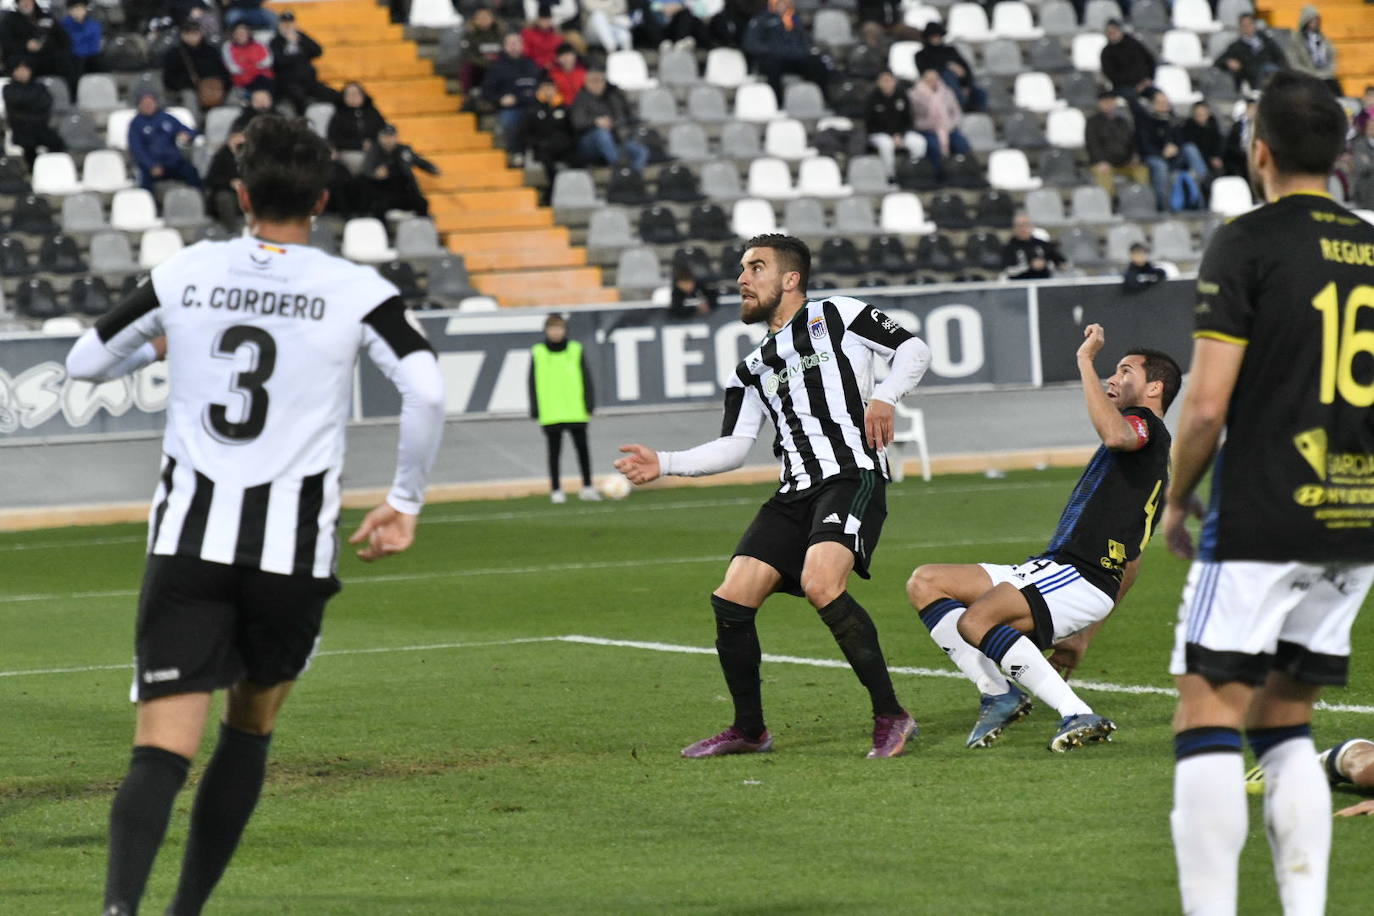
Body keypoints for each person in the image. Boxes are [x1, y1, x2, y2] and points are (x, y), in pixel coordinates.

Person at [66, 114, 445, 916]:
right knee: (248, 732)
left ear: (241, 194)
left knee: (161, 750)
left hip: (189, 545)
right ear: (321, 198)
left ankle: (118, 912)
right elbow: (428, 388)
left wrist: (157, 347)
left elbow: (85, 361)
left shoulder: (190, 271)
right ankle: (186, 912)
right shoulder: (357, 289)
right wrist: (405, 499)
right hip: (292, 557)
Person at [1160, 70, 1374, 915]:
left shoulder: (1246, 240)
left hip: (1262, 511)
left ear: (1259, 151)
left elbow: (1206, 405)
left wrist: (1177, 500)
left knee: (1206, 713)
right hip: (1355, 516)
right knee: (1286, 724)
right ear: (1343, 153)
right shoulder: (1371, 248)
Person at [614, 234, 932, 759]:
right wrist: (665, 463)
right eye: (741, 268)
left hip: (851, 475)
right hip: (794, 491)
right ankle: (750, 730)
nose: (742, 278)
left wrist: (885, 395)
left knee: (820, 583)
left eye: (755, 267)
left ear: (790, 279)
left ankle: (892, 715)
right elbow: (736, 447)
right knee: (731, 599)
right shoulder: (750, 367)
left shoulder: (840, 314)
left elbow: (913, 350)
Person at [908, 325, 1177, 750]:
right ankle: (998, 693)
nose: (1114, 377)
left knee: (977, 620)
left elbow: (1116, 433)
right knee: (927, 581)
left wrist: (1085, 361)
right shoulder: (1145, 465)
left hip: (1080, 574)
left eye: (1125, 371)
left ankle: (1076, 712)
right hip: (1060, 569)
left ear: (1154, 388)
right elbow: (1134, 557)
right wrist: (1085, 635)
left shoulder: (1144, 427)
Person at [529, 314, 598, 504]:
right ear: (546, 330)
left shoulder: (575, 349)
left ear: (565, 330)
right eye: (552, 328)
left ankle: (587, 486)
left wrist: (589, 403)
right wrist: (534, 407)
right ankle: (556, 490)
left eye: (559, 328)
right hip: (551, 411)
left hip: (575, 409)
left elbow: (586, 378)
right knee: (554, 452)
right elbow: (532, 381)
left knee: (583, 450)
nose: (556, 332)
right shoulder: (538, 352)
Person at [742, 0, 830, 108]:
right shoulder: (762, 19)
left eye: (786, 2)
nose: (784, 5)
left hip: (795, 57)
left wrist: (805, 49)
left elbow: (805, 39)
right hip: (773, 58)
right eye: (780, 2)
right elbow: (751, 43)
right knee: (772, 65)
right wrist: (771, 50)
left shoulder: (794, 19)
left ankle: (820, 99)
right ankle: (777, 102)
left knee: (817, 63)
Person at [1136, 89, 1208, 212]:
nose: (1164, 105)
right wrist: (1162, 153)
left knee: (1190, 148)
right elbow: (1144, 146)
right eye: (1160, 102)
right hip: (1154, 157)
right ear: (1152, 104)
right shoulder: (1145, 121)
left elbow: (1181, 140)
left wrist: (1176, 148)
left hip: (1174, 157)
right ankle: (1163, 206)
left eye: (1165, 102)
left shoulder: (1173, 120)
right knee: (1160, 167)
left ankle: (1203, 181)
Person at [569, 69, 648, 172]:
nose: (598, 84)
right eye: (594, 81)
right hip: (588, 143)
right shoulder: (580, 99)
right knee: (601, 134)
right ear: (586, 83)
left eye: (601, 81)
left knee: (640, 151)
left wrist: (613, 124)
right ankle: (618, 168)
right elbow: (577, 123)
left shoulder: (611, 98)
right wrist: (595, 122)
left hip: (614, 138)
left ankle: (631, 177)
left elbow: (622, 118)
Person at [361, 123, 441, 219]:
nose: (388, 140)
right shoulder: (374, 152)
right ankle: (384, 232)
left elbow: (419, 161)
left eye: (391, 136)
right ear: (379, 137)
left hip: (404, 190)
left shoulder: (404, 151)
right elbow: (366, 170)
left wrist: (431, 168)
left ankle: (422, 227)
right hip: (384, 192)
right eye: (385, 136)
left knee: (422, 203)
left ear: (396, 137)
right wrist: (375, 175)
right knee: (378, 208)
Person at [0, 0, 77, 95]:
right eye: (22, 1)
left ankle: (70, 97)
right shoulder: (9, 20)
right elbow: (7, 44)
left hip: (48, 57)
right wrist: (25, 45)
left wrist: (45, 45)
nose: (26, 3)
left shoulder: (46, 17)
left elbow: (64, 40)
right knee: (21, 65)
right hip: (23, 57)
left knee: (68, 62)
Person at [128, 93, 202, 192]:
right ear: (139, 105)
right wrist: (151, 165)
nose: (148, 106)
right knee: (145, 182)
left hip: (173, 162)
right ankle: (150, 205)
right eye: (145, 103)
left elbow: (188, 130)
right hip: (152, 165)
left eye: (150, 102)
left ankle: (200, 200)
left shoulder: (166, 118)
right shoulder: (136, 124)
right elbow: (137, 149)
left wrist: (187, 135)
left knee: (192, 172)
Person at [909, 66, 970, 185]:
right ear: (923, 80)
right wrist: (932, 125)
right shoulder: (914, 95)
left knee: (962, 144)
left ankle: (962, 173)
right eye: (929, 80)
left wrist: (948, 125)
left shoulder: (947, 92)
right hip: (927, 129)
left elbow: (956, 112)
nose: (933, 82)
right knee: (934, 146)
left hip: (948, 128)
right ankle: (939, 175)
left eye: (935, 79)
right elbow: (914, 119)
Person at [514, 76, 575, 195]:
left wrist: (567, 143)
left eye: (550, 88)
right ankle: (552, 192)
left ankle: (574, 191)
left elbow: (572, 130)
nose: (548, 91)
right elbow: (524, 133)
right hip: (542, 148)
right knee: (548, 164)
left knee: (578, 160)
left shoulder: (565, 108)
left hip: (563, 147)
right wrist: (537, 143)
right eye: (544, 88)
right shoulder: (532, 110)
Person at [2, 59, 66, 170]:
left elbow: (45, 104)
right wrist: (32, 102)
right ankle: (33, 170)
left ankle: (54, 169)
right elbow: (15, 102)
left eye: (25, 69)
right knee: (28, 143)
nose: (22, 72)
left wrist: (25, 105)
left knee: (57, 141)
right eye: (19, 70)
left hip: (40, 127)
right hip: (21, 129)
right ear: (13, 72)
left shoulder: (40, 86)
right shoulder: (8, 89)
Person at [269, 11, 336, 115]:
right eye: (284, 23)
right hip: (288, 83)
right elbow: (277, 62)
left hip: (309, 81)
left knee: (333, 94)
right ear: (279, 25)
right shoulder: (275, 41)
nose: (287, 26)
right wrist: (294, 52)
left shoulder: (301, 37)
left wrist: (299, 42)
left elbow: (317, 51)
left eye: (290, 23)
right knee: (298, 97)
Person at [1086, 89, 1149, 198]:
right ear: (1099, 104)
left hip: (1125, 162)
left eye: (1111, 101)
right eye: (1105, 102)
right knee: (1103, 176)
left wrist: (1133, 158)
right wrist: (1100, 161)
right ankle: (1108, 206)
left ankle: (1142, 201)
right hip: (1103, 162)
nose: (1109, 104)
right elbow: (1092, 144)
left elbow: (1131, 141)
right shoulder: (1093, 122)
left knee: (1142, 170)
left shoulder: (1122, 122)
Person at [484, 32, 542, 149]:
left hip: (532, 105)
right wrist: (500, 99)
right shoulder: (497, 67)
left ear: (522, 45)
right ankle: (515, 152)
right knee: (509, 122)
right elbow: (486, 91)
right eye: (510, 44)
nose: (514, 46)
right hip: (512, 108)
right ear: (505, 46)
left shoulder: (531, 64)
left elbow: (540, 84)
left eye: (516, 43)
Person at [864, 69, 926, 177]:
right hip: (879, 134)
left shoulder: (901, 95)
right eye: (884, 81)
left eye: (890, 80)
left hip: (900, 133)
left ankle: (913, 172)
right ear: (878, 82)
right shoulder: (872, 98)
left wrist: (900, 135)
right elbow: (869, 124)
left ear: (894, 81)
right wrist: (892, 136)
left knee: (919, 143)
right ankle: (890, 176)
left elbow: (908, 120)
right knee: (886, 144)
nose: (887, 83)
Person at [913, 22, 984, 113]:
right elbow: (925, 72)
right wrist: (949, 66)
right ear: (928, 38)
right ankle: (960, 108)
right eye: (933, 36)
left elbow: (965, 68)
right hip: (939, 88)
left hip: (961, 85)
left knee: (980, 92)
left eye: (938, 35)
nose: (936, 38)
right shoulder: (921, 55)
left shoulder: (950, 50)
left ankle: (978, 117)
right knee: (947, 74)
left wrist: (966, 85)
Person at [162, 22, 230, 113]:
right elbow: (169, 78)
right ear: (182, 35)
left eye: (195, 33)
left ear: (200, 33)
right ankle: (194, 125)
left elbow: (223, 71)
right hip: (188, 89)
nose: (192, 37)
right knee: (189, 97)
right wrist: (187, 84)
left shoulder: (211, 51)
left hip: (214, 88)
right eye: (188, 33)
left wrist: (218, 83)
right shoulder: (174, 54)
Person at [1214, 13, 1286, 93]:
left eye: (1249, 24)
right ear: (1240, 28)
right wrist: (1228, 62)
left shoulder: (1267, 41)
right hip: (1252, 80)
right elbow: (1218, 62)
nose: (1247, 28)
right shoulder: (1236, 47)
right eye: (1244, 26)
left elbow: (1281, 58)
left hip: (1272, 76)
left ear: (1254, 25)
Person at [1290, 5, 1341, 96]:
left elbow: (1332, 56)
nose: (1315, 23)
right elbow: (1294, 62)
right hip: (1306, 76)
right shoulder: (1296, 40)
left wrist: (1328, 71)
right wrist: (1311, 73)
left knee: (1335, 89)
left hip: (1325, 75)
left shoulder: (1322, 38)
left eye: (1316, 20)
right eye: (1312, 20)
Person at [327, 81, 386, 155]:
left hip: (375, 149)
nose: (353, 97)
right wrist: (359, 145)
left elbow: (383, 130)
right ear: (344, 97)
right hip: (348, 151)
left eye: (356, 93)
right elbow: (334, 140)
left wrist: (372, 143)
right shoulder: (339, 115)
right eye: (349, 94)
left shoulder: (373, 112)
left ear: (363, 95)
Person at [1001, 212, 1065, 280]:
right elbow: (1007, 270)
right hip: (1020, 285)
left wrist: (1046, 263)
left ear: (1031, 227)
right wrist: (1030, 266)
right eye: (1019, 226)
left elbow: (1060, 262)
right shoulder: (1009, 247)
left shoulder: (1042, 244)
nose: (1023, 229)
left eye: (1026, 225)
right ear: (1014, 228)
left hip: (1044, 283)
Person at [1100, 20, 1155, 97]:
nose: (1112, 34)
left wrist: (1148, 79)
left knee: (1158, 96)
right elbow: (1112, 75)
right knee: (1130, 97)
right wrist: (1134, 85)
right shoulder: (1106, 52)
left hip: (1144, 83)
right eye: (1109, 32)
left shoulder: (1134, 44)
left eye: (1114, 31)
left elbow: (1150, 60)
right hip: (1123, 87)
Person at [458, 5, 506, 93]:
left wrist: (494, 60)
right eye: (480, 17)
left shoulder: (500, 32)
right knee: (466, 67)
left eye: (486, 17)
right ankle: (468, 95)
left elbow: (505, 50)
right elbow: (467, 54)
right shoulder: (469, 34)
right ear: (474, 20)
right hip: (478, 67)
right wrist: (485, 61)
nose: (483, 20)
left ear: (492, 19)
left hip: (497, 65)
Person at [204, 130, 244, 232]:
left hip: (245, 191)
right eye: (237, 137)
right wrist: (230, 183)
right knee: (224, 198)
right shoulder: (221, 156)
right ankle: (232, 231)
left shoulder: (248, 156)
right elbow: (211, 180)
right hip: (226, 192)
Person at [1179, 100, 1225, 186]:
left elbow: (1219, 143)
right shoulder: (1187, 127)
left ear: (1208, 113)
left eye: (1203, 114)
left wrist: (1216, 156)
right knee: (1190, 149)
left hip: (1209, 162)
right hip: (1190, 162)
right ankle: (1205, 178)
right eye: (1197, 114)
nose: (1200, 116)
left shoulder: (1213, 127)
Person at [222, 21, 274, 97]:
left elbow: (268, 60)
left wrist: (256, 66)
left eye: (243, 33)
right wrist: (250, 68)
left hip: (262, 76)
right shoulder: (228, 46)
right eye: (238, 33)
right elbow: (232, 68)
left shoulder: (258, 43)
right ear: (233, 35)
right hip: (244, 79)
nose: (241, 35)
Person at [59, 0, 103, 79]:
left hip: (91, 59)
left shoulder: (94, 25)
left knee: (99, 62)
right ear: (69, 10)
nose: (79, 11)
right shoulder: (62, 26)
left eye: (81, 7)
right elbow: (66, 46)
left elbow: (94, 47)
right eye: (75, 7)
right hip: (73, 60)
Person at [520, 2, 563, 69]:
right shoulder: (528, 34)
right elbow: (527, 54)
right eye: (543, 19)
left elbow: (559, 54)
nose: (545, 22)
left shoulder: (557, 37)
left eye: (548, 19)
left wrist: (552, 63)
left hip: (553, 67)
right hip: (534, 67)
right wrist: (542, 63)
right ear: (538, 20)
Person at [1353, 117, 1374, 209]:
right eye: (1369, 127)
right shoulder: (1360, 144)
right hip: (1364, 193)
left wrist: (1369, 161)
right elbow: (1362, 168)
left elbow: (1367, 165)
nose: (1371, 129)